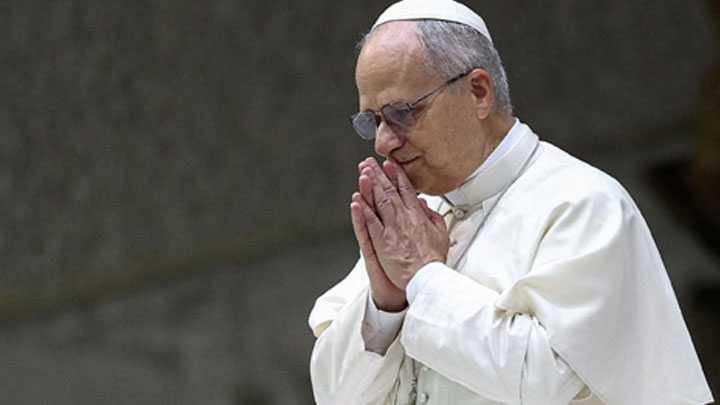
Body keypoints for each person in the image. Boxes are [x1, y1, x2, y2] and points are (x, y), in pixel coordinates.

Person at [308, 0, 714, 404]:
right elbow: (334, 396)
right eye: (372, 121)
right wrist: (386, 304)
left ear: (478, 92)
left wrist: (424, 277)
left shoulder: (582, 204)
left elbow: (545, 381)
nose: (383, 142)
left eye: (401, 113)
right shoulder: (410, 225)